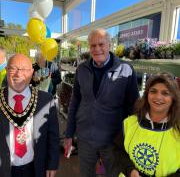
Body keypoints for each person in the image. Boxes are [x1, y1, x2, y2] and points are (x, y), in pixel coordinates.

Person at [64, 28, 139, 177]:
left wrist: (133, 138)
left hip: (114, 140)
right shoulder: (82, 69)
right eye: (93, 46)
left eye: (101, 44)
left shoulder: (126, 69)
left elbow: (133, 106)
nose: (97, 49)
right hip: (86, 138)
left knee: (115, 174)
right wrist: (69, 134)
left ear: (109, 45)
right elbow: (75, 102)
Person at [0, 54, 60, 177]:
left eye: (24, 69)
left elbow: (53, 136)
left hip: (36, 167)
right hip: (4, 169)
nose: (18, 74)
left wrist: (52, 164)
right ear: (6, 70)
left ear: (32, 72)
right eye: (13, 68)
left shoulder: (46, 100)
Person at [112, 72, 180, 177]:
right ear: (147, 94)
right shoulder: (129, 123)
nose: (158, 97)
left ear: (173, 98)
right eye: (153, 91)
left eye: (165, 93)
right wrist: (130, 171)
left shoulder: (178, 129)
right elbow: (117, 150)